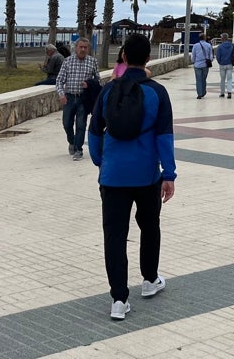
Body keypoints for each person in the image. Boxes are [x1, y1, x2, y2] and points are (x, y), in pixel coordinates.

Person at [88, 34, 176, 321]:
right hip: (147, 176)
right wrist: (169, 174)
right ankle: (149, 281)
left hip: (113, 176)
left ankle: (118, 299)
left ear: (123, 57)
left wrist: (103, 162)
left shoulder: (107, 91)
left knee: (114, 235)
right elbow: (164, 136)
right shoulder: (157, 92)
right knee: (150, 226)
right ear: (148, 58)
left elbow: (93, 132)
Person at [55, 38, 101, 161]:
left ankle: (78, 150)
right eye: (80, 47)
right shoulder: (67, 61)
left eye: (85, 47)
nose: (83, 49)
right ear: (76, 48)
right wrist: (61, 94)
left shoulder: (92, 62)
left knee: (81, 125)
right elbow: (59, 80)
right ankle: (72, 141)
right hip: (69, 97)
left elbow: (98, 80)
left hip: (83, 98)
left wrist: (89, 84)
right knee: (67, 124)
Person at [216, 33, 234, 99]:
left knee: (222, 79)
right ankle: (229, 92)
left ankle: (222, 93)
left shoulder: (220, 46)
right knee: (229, 79)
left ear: (223, 38)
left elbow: (218, 56)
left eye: (221, 37)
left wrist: (220, 62)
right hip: (229, 64)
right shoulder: (232, 46)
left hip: (222, 64)